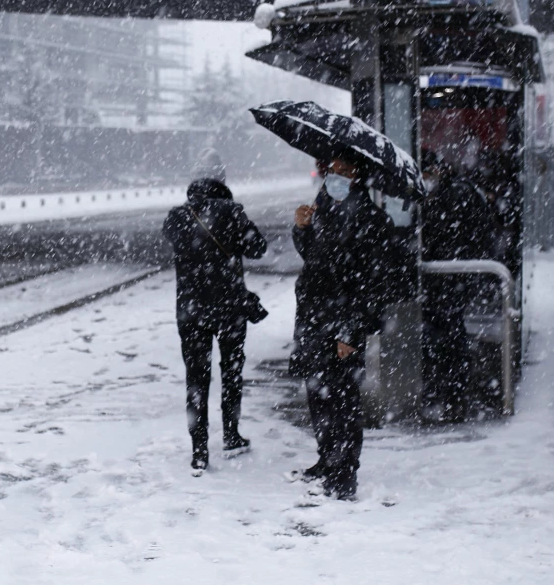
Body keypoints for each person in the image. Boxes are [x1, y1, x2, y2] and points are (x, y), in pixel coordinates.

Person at [290, 157, 398, 500]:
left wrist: (350, 332)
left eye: (345, 172)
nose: (336, 177)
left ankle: (344, 472)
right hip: (313, 318)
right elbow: (313, 257)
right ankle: (326, 459)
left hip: (343, 321)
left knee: (344, 400)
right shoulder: (323, 205)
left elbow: (372, 283)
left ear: (357, 177)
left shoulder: (370, 218)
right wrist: (302, 229)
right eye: (333, 170)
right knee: (318, 394)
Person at [163, 149, 268, 474]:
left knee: (196, 378)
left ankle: (199, 451)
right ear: (221, 180)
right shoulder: (233, 212)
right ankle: (231, 435)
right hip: (229, 309)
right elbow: (259, 248)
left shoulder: (177, 216)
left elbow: (175, 244)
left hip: (191, 310)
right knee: (231, 372)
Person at [420, 150, 497, 420]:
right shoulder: (459, 191)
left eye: (427, 174)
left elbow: (445, 237)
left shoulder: (453, 196)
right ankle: (450, 395)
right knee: (448, 336)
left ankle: (449, 396)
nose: (426, 180)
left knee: (447, 338)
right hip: (451, 281)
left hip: (449, 280)